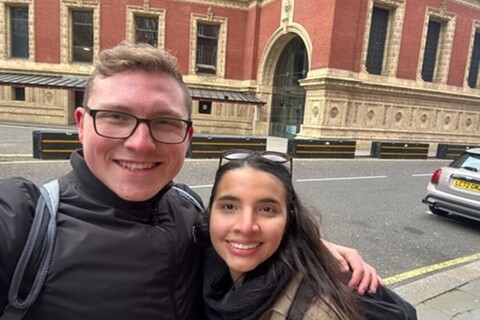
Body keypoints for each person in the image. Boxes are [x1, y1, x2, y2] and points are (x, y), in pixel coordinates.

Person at [0, 42, 380, 320]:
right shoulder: (23, 220)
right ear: (82, 125)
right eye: (116, 116)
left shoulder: (189, 210)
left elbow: (241, 237)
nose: (140, 143)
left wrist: (305, 242)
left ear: (188, 136)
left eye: (164, 122)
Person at [202, 150, 365, 319]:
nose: (245, 226)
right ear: (210, 212)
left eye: (266, 209)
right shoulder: (201, 261)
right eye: (229, 207)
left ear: (289, 221)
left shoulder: (315, 313)